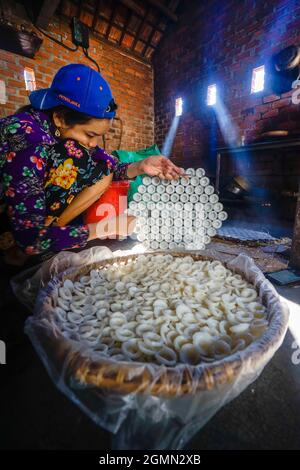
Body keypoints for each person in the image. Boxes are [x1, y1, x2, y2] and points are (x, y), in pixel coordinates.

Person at [0, 64, 184, 265]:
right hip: (13, 218)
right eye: (90, 135)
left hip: (33, 220)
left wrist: (141, 166)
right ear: (60, 117)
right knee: (78, 158)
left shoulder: (63, 132)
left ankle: (48, 237)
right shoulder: (26, 140)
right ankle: (22, 246)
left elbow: (109, 166)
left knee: (100, 166)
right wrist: (107, 227)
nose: (94, 144)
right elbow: (30, 237)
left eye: (99, 136)